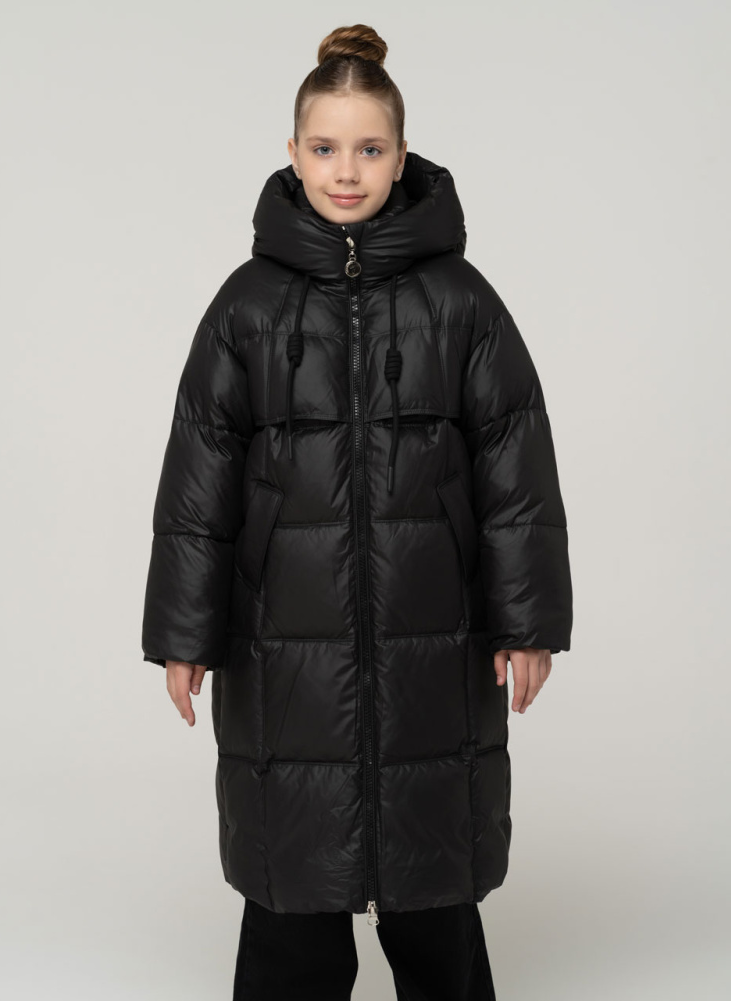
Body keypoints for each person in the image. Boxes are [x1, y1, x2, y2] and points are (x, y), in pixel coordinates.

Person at [141, 22, 573, 1001]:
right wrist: (183, 634)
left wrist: (528, 620)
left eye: (370, 148)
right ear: (293, 153)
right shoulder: (247, 309)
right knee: (292, 888)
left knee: (435, 884)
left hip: (434, 643)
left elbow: (515, 463)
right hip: (281, 649)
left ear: (402, 155)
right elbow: (198, 479)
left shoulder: (461, 303)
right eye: (326, 148)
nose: (347, 171)